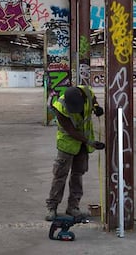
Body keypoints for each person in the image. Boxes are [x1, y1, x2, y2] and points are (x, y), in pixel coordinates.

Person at [45, 85, 105, 221]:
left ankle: (73, 207)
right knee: (60, 175)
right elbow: (71, 131)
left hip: (82, 144)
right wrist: (90, 143)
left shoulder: (87, 92)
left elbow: (93, 99)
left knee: (77, 175)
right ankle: (52, 207)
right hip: (67, 143)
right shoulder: (60, 107)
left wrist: (96, 107)